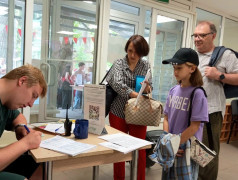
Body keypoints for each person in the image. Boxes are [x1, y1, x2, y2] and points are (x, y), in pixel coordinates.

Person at [193, 21, 238, 180]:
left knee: (208, 153)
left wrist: (219, 75)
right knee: (194, 151)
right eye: (195, 35)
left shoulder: (225, 55)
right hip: (191, 112)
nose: (197, 39)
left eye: (202, 35)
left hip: (210, 112)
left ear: (213, 36)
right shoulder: (194, 55)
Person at [106, 35, 152, 180]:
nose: (132, 55)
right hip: (118, 111)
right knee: (119, 149)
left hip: (138, 112)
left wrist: (147, 89)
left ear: (142, 52)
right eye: (130, 51)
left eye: (137, 52)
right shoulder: (119, 63)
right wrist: (133, 94)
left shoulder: (146, 66)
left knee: (140, 149)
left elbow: (150, 86)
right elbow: (116, 83)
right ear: (127, 48)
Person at [162, 48, 209, 179]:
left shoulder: (198, 94)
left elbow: (194, 126)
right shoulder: (173, 90)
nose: (175, 72)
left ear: (192, 69)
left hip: (186, 149)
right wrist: (168, 141)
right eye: (174, 68)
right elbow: (166, 118)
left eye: (179, 68)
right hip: (171, 146)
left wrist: (176, 144)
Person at [0, 64, 47, 179]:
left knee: (42, 163)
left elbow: (18, 117)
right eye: (33, 95)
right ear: (22, 81)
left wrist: (20, 127)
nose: (31, 104)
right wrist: (26, 143)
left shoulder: (6, 102)